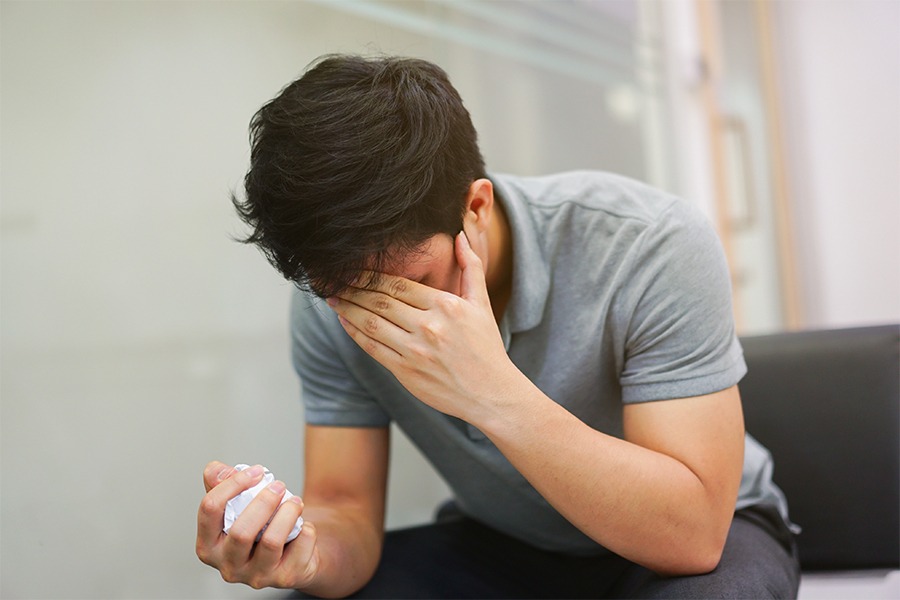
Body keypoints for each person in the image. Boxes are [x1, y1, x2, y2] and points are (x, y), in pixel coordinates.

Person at [196, 54, 800, 598]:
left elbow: (692, 535)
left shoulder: (650, 245)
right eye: (343, 292)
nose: (380, 311)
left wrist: (492, 393)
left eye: (410, 284)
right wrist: (304, 556)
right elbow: (345, 508)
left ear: (475, 208)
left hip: (697, 532)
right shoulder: (329, 301)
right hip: (508, 542)